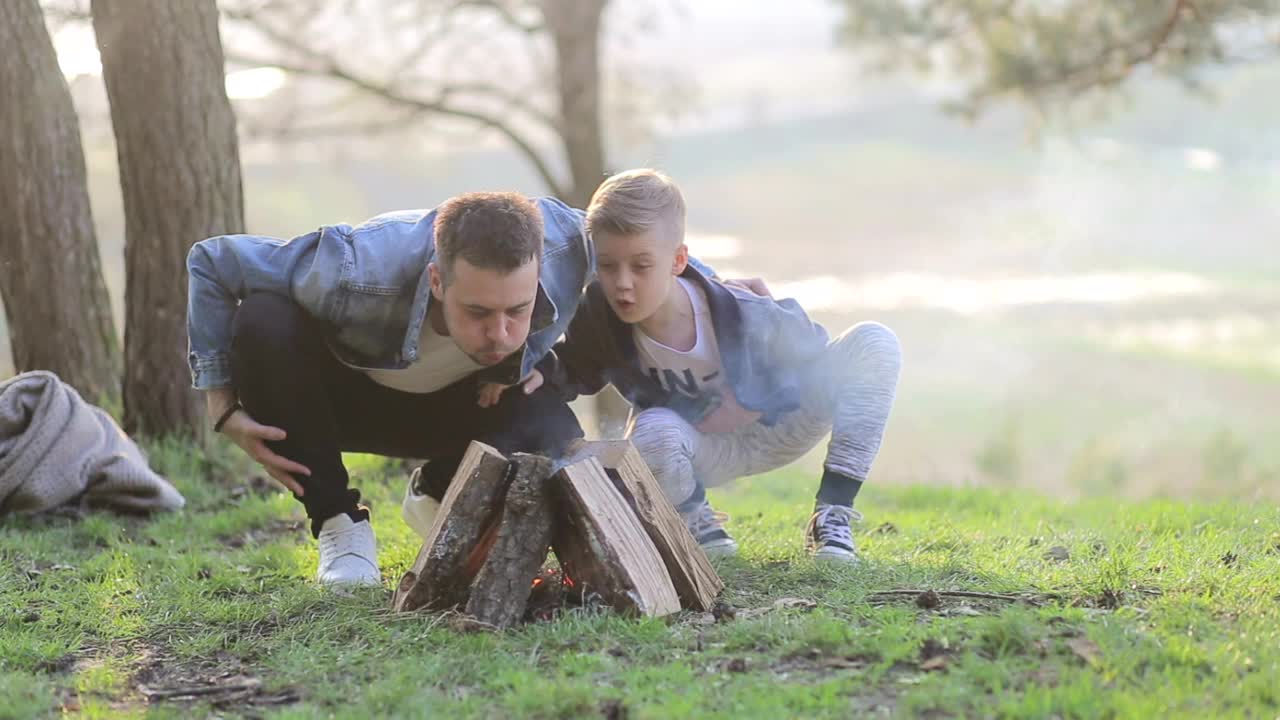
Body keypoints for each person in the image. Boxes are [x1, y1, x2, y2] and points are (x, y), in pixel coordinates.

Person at [186, 192, 589, 586]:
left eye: (518, 310)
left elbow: (641, 244)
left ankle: (441, 490)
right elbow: (212, 262)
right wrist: (221, 406)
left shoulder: (575, 244)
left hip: (468, 405)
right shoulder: (351, 269)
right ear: (436, 280)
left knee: (554, 429)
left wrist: (558, 367)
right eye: (478, 312)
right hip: (349, 405)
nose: (500, 335)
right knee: (262, 320)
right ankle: (339, 525)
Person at [541, 169, 902, 562]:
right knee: (650, 428)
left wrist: (774, 342)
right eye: (608, 266)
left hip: (781, 426)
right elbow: (574, 368)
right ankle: (697, 521)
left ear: (678, 259)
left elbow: (818, 357)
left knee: (874, 341)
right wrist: (525, 376)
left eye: (641, 266)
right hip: (704, 450)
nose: (622, 283)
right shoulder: (600, 318)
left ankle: (832, 514)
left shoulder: (742, 311)